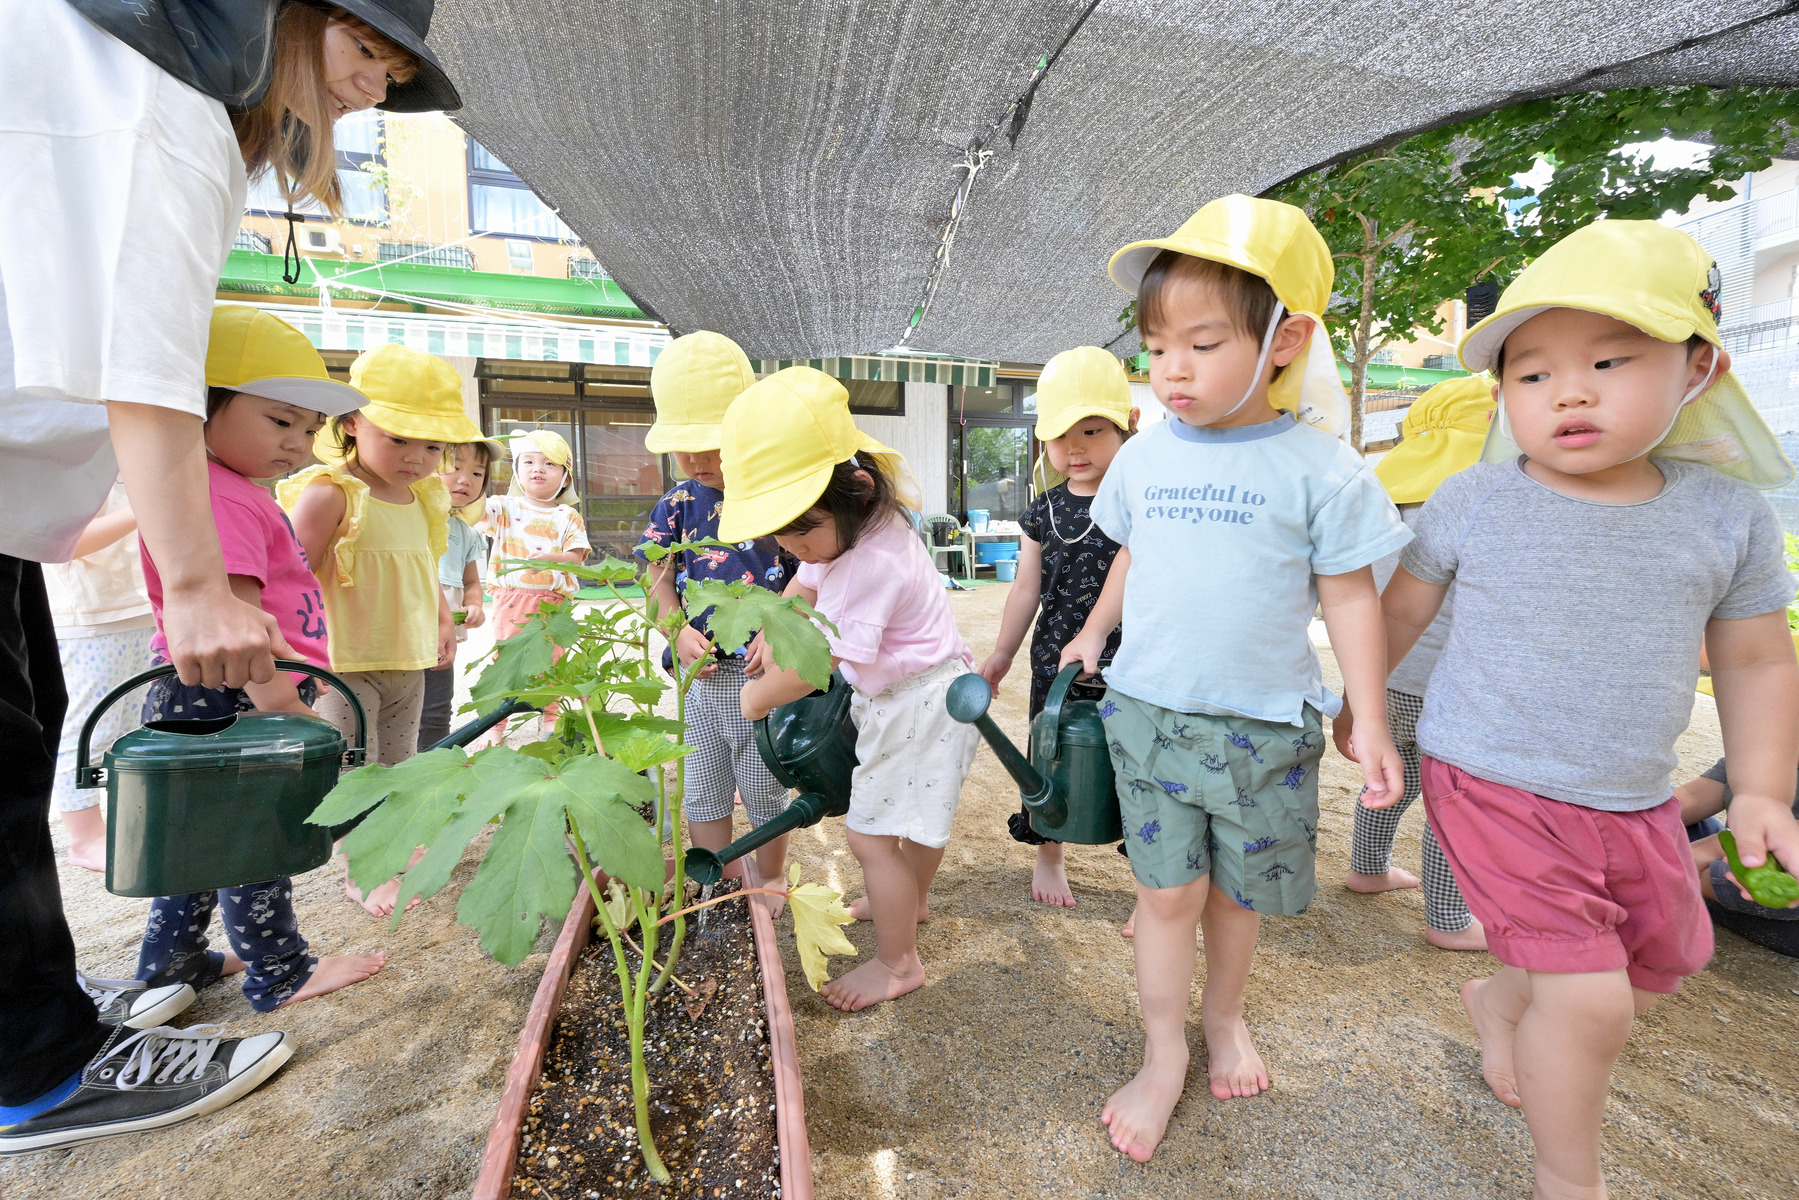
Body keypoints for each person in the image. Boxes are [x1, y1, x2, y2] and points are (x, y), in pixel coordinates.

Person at [0, 0, 457, 1153]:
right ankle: (39, 1072)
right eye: (363, 56)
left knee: (35, 739)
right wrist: (202, 589)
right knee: (84, 786)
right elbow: (146, 360)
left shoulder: (98, 62)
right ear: (283, 21)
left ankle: (49, 1022)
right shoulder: (170, 101)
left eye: (390, 75)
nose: (368, 94)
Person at [1376, 219, 1799, 1200]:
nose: (1567, 390)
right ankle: (1569, 1180)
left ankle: (1497, 999)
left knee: (1649, 953)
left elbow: (1752, 655)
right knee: (1594, 1000)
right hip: (1485, 782)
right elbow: (1400, 608)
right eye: (1530, 375)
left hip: (1629, 796)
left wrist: (1764, 789)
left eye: (1608, 360)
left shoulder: (1725, 514)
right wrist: (1356, 707)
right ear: (1500, 395)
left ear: (1697, 367)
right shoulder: (1473, 500)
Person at [1059, 195, 1408, 1162]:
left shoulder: (1323, 470)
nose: (1171, 368)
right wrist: (1092, 633)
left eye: (1203, 343)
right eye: (1157, 344)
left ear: (1285, 339)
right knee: (1166, 895)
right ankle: (1162, 1049)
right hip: (1150, 713)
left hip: (1264, 724)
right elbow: (1132, 556)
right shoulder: (1144, 454)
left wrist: (1367, 717)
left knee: (1237, 898)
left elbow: (1350, 601)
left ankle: (1224, 1016)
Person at [135, 305, 386, 1011]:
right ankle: (281, 971)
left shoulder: (217, 489)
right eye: (279, 421)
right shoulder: (225, 499)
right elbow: (238, 627)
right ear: (201, 406)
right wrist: (291, 711)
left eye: (308, 430)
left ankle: (173, 961)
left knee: (193, 838)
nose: (298, 443)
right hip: (240, 694)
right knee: (255, 839)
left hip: (199, 694)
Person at [728, 368, 979, 1012]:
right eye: (778, 534)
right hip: (933, 694)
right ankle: (908, 903)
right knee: (918, 822)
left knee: (870, 838)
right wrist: (776, 619)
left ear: (857, 490)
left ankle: (897, 964)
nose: (791, 546)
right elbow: (807, 579)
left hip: (915, 705)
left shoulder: (871, 562)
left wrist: (755, 698)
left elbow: (818, 668)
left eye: (799, 529)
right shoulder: (856, 526)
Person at [282, 344, 473, 915]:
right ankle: (362, 869)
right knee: (352, 772)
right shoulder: (331, 492)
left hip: (406, 657)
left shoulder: (424, 499)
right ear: (351, 424)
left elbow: (425, 566)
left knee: (397, 761)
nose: (416, 457)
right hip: (344, 662)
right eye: (398, 438)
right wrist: (300, 658)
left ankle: (391, 844)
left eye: (432, 444)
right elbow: (289, 578)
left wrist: (443, 621)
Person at [636, 332, 799, 886]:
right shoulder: (678, 502)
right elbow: (656, 576)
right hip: (699, 674)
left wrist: (782, 624)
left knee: (764, 782)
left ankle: (772, 876)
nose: (696, 459)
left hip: (763, 674)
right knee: (702, 782)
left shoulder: (778, 496)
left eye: (711, 443)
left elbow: (814, 577)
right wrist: (674, 629)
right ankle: (718, 878)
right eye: (683, 446)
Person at [1337, 375, 1492, 950]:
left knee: (1389, 781)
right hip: (1451, 688)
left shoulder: (1385, 493)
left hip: (1384, 677)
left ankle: (1368, 867)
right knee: (1454, 802)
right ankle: (1449, 918)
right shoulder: (1477, 499)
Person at [978, 346, 1135, 911]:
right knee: (1050, 750)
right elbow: (1025, 588)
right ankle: (1049, 851)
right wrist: (1000, 654)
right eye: (1059, 435)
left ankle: (1151, 874)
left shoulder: (1143, 497)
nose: (1074, 448)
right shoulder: (1042, 510)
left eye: (1092, 431)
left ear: (1128, 427)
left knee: (1138, 753)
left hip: (1134, 654)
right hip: (1056, 653)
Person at [44, 483, 154, 871]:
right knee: (86, 728)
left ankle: (122, 827)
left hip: (142, 608)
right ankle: (84, 836)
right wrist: (148, 503)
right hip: (89, 618)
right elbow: (63, 541)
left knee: (133, 728)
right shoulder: (75, 458)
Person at [476, 429, 592, 744]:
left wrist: (552, 558)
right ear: (516, 472)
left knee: (552, 662)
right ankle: (495, 725)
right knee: (508, 660)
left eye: (549, 464)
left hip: (554, 602)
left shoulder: (568, 515)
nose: (537, 468)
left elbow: (576, 557)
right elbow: (475, 509)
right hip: (511, 599)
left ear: (565, 478)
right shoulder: (504, 507)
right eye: (528, 461)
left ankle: (551, 721)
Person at [417, 436, 502, 750]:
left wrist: (474, 604)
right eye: (453, 467)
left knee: (437, 708)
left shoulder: (466, 533)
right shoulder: (413, 519)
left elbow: (471, 583)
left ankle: (431, 766)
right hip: (409, 631)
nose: (465, 479)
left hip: (445, 636)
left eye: (478, 473)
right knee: (398, 706)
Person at [1679, 757, 1799, 958]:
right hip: (1736, 854)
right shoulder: (1767, 739)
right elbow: (1691, 799)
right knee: (1644, 812)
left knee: (1761, 880)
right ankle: (1669, 879)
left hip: (1764, 873)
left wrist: (1710, 848)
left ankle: (1660, 880)